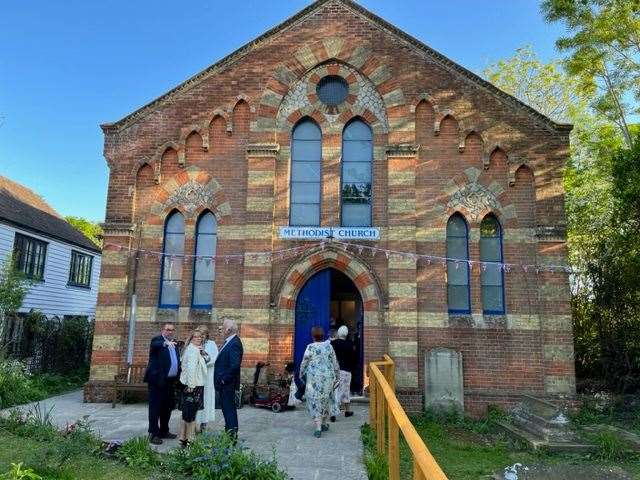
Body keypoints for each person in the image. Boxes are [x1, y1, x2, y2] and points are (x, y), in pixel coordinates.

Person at [143, 322, 181, 445]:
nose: (170, 332)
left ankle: (164, 431)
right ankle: (153, 433)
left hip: (170, 381)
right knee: (155, 408)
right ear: (162, 330)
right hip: (157, 381)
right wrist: (165, 343)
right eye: (167, 330)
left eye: (172, 330)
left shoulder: (174, 343)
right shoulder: (158, 340)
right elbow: (155, 345)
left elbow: (175, 361)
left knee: (167, 408)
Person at [299, 326, 340, 438]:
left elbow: (304, 362)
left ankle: (318, 427)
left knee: (315, 401)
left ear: (313, 336)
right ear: (323, 336)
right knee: (326, 399)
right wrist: (337, 376)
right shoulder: (329, 347)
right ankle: (324, 423)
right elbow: (335, 362)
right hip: (328, 378)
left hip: (314, 379)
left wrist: (301, 374)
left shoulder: (310, 347)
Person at [214, 318, 244, 441]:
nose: (221, 329)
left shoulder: (235, 343)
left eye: (223, 326)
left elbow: (235, 365)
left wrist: (224, 379)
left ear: (228, 329)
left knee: (229, 409)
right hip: (225, 383)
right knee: (227, 409)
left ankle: (231, 436)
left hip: (227, 384)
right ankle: (229, 432)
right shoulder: (229, 341)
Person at [178, 329, 209, 447]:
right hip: (193, 385)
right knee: (191, 413)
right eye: (196, 337)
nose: (199, 339)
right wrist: (191, 386)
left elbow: (208, 359)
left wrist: (203, 352)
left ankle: (183, 438)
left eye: (200, 337)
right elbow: (190, 369)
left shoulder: (195, 349)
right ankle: (190, 439)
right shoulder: (193, 351)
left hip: (192, 384)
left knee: (187, 412)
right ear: (191, 338)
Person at [195, 325, 218, 431]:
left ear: (207, 334)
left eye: (203, 334)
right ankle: (195, 422)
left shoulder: (212, 344)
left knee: (206, 398)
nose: (201, 336)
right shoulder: (194, 343)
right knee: (196, 398)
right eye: (200, 334)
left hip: (207, 375)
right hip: (196, 376)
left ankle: (204, 422)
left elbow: (214, 359)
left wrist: (203, 360)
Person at [331, 325, 356, 420]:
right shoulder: (350, 344)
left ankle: (342, 411)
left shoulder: (333, 343)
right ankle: (345, 411)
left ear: (338, 333)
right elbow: (354, 358)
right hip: (346, 370)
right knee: (345, 390)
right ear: (346, 334)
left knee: (335, 390)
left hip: (334, 370)